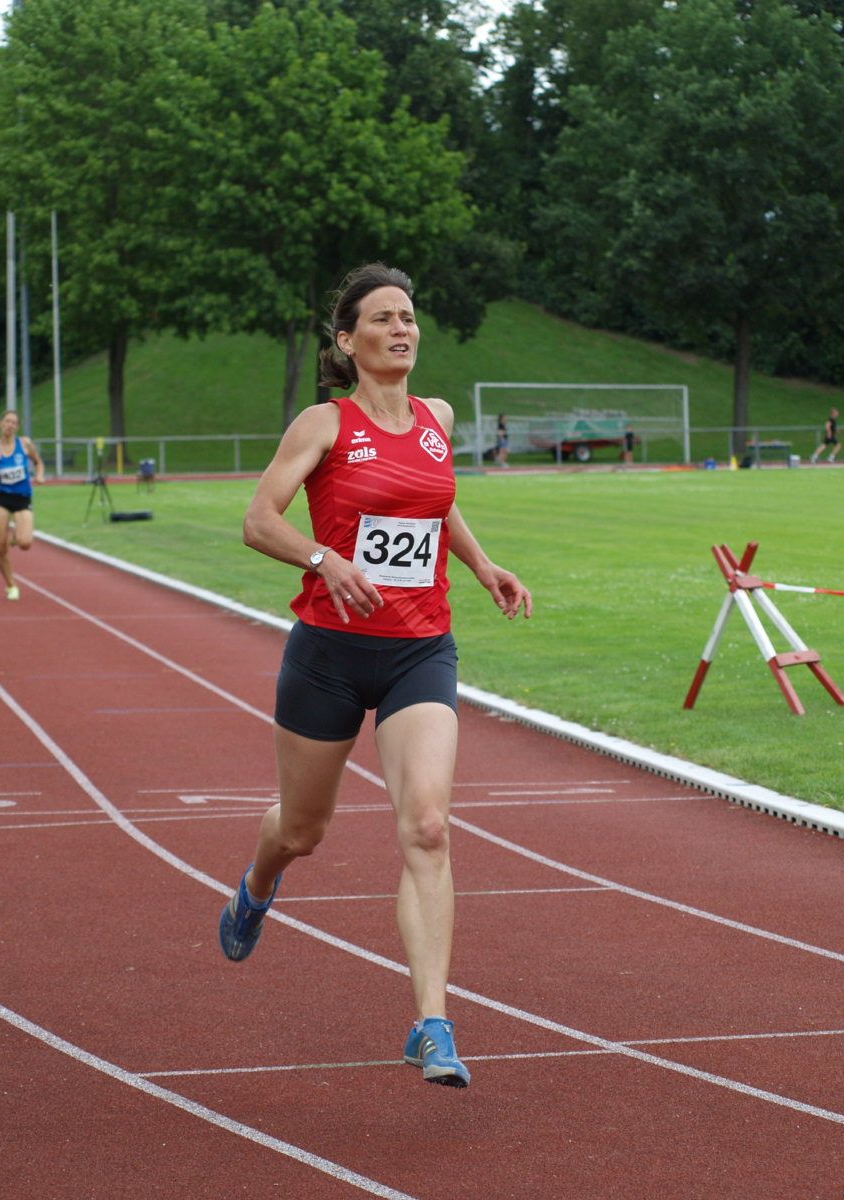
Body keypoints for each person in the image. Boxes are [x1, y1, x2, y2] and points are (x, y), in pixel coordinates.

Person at [224, 264, 532, 1089]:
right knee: (302, 831)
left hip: (418, 651)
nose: (402, 329)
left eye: (409, 316)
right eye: (384, 318)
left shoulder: (438, 417)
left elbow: (434, 501)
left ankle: (432, 1024)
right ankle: (257, 884)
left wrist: (482, 565)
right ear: (347, 339)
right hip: (328, 654)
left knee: (428, 825)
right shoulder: (325, 423)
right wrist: (324, 560)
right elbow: (258, 519)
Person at [0, 410, 45, 601]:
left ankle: (15, 535)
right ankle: (11, 585)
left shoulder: (25, 444)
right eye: (7, 421)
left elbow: (38, 462)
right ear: (0, 424)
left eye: (14, 422)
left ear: (17, 427)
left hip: (22, 498)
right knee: (0, 547)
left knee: (25, 543)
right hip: (2, 499)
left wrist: (39, 475)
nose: (10, 425)